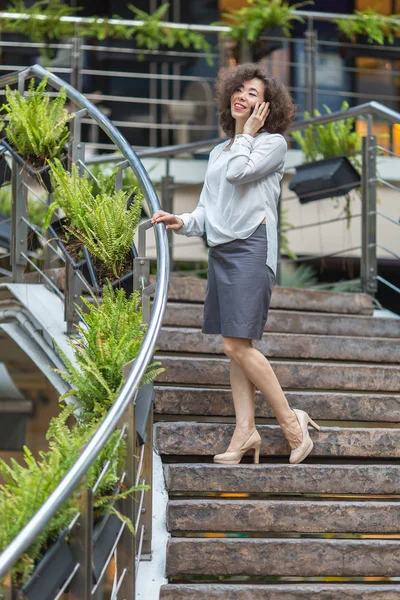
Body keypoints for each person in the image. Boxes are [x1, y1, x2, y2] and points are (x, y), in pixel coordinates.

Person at [151, 63, 320, 466]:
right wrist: (183, 221)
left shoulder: (271, 145)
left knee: (235, 344)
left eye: (254, 94)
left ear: (267, 108)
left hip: (251, 247)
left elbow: (241, 175)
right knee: (236, 348)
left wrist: (245, 135)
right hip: (222, 252)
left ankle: (291, 421)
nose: (242, 96)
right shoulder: (218, 151)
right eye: (239, 89)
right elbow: (210, 209)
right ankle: (245, 432)